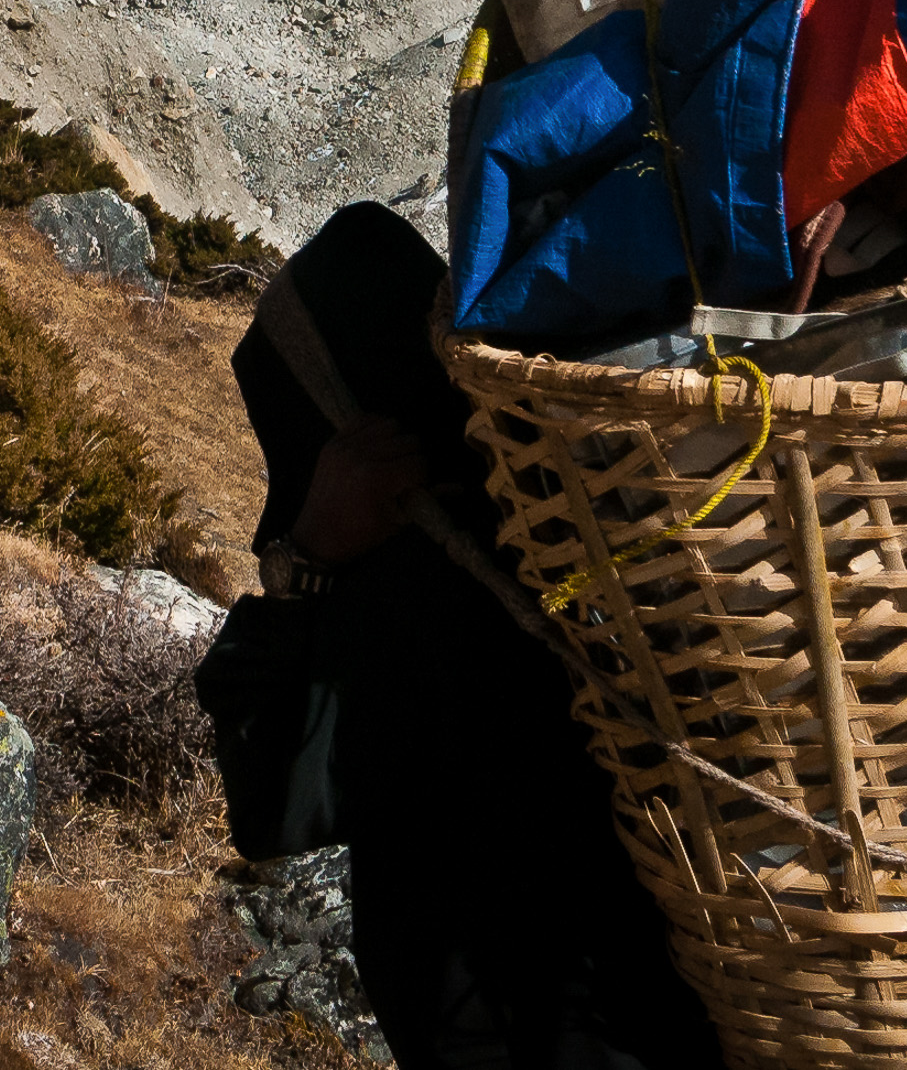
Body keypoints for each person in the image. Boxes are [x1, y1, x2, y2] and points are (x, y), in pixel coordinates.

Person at [227, 204, 720, 1070]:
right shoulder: (570, 508)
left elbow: (273, 801)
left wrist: (306, 560)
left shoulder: (397, 584)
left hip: (518, 1012)